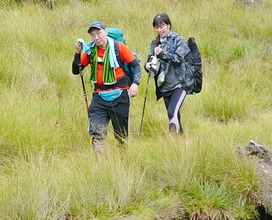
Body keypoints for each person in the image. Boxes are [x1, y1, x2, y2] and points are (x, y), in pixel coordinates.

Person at [72, 21, 141, 155]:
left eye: (99, 33)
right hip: (99, 96)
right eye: (92, 35)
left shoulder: (119, 47)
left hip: (120, 95)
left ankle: (123, 159)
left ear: (106, 31)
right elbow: (76, 70)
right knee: (97, 133)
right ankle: (101, 165)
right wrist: (77, 53)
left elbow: (136, 66)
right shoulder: (91, 51)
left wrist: (135, 84)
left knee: (121, 136)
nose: (96, 37)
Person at [145, 13, 190, 134]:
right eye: (157, 27)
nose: (159, 30)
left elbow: (179, 58)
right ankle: (181, 143)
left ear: (169, 25)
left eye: (162, 26)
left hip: (180, 84)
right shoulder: (154, 43)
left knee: (172, 112)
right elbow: (151, 59)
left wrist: (162, 55)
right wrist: (147, 66)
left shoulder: (178, 40)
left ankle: (171, 141)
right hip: (164, 86)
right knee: (174, 117)